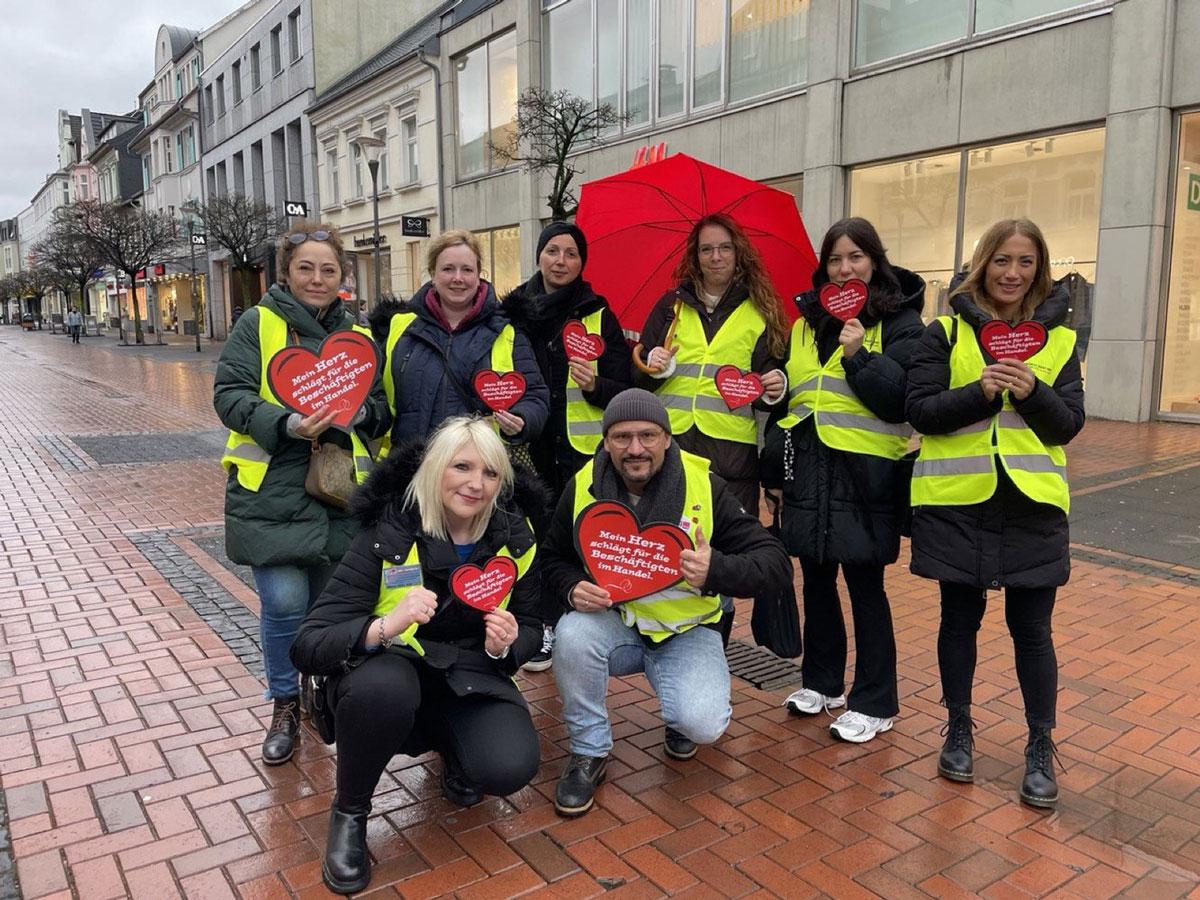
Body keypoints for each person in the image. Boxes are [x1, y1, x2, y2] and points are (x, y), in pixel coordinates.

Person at [291, 417, 543, 894]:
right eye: (462, 467)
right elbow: (308, 643)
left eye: (490, 472)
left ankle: (457, 756)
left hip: (467, 676)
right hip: (390, 672)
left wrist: (508, 643)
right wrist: (385, 626)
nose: (476, 483)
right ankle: (350, 811)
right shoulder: (389, 533)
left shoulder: (516, 538)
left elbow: (532, 628)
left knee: (509, 765)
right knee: (384, 690)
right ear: (434, 470)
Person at [541, 389, 791, 817]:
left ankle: (680, 719)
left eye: (647, 435)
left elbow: (775, 564)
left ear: (667, 438)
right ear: (605, 442)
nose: (635, 449)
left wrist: (717, 570)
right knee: (571, 634)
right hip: (615, 625)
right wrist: (570, 587)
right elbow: (551, 558)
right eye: (621, 437)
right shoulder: (583, 485)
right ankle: (589, 750)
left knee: (703, 723)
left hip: (686, 631)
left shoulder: (705, 485)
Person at [905, 218, 1084, 809]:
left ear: (1041, 268)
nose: (1013, 273)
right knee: (959, 622)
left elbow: (1069, 426)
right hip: (958, 505)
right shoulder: (947, 332)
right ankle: (958, 729)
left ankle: (1040, 745)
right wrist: (977, 392)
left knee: (1032, 631)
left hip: (1031, 507)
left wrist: (1034, 392)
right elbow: (921, 411)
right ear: (983, 264)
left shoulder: (1059, 339)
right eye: (1002, 260)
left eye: (1026, 262)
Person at [213, 221, 392, 766]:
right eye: (306, 268)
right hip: (272, 490)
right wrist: (286, 423)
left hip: (340, 492)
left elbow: (384, 411)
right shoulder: (259, 323)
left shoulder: (359, 338)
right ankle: (284, 702)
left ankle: (318, 691)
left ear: (343, 276)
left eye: (328, 269)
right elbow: (229, 395)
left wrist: (365, 413)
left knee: (324, 607)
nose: (317, 278)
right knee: (284, 602)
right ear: (286, 272)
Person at [766, 218, 925, 743]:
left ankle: (876, 701)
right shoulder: (805, 323)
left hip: (866, 477)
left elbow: (901, 397)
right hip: (810, 471)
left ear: (874, 260)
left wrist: (860, 355)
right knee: (815, 580)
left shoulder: (899, 322)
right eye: (835, 259)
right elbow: (798, 399)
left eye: (855, 257)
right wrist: (776, 389)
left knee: (866, 588)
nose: (844, 268)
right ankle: (822, 682)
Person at [502, 221, 632, 671]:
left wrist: (597, 385)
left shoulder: (596, 313)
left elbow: (626, 385)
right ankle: (540, 624)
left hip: (580, 451)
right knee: (532, 536)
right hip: (528, 445)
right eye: (553, 251)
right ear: (539, 256)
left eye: (571, 253)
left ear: (582, 262)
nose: (561, 261)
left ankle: (577, 623)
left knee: (576, 537)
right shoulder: (514, 311)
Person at [635, 212, 790, 514]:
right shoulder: (671, 307)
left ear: (738, 253)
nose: (715, 257)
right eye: (706, 249)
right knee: (669, 545)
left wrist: (776, 388)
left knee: (728, 551)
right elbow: (638, 379)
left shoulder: (760, 312)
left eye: (725, 248)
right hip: (670, 451)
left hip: (731, 462)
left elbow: (770, 389)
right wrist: (654, 366)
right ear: (695, 256)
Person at [379, 229, 549, 450]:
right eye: (448, 269)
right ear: (432, 273)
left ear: (479, 274)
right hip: (412, 468)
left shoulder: (507, 332)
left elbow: (536, 397)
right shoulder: (401, 328)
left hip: (477, 471)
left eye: (467, 270)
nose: (457, 278)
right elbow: (381, 400)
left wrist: (522, 419)